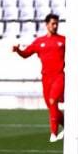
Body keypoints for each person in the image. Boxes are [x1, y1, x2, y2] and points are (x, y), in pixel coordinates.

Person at [12, 14, 66, 142]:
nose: (55, 26)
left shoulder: (64, 40)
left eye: (56, 23)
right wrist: (18, 50)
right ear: (46, 24)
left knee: (53, 101)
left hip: (59, 76)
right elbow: (26, 54)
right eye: (53, 23)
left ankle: (53, 133)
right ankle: (68, 126)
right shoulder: (39, 42)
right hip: (46, 78)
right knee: (51, 106)